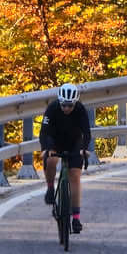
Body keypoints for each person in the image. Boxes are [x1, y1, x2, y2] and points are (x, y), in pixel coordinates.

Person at [38, 83, 94, 234]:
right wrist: (45, 149)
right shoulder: (52, 108)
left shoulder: (80, 110)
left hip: (74, 143)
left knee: (75, 176)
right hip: (55, 141)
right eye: (64, 105)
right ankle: (50, 188)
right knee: (51, 160)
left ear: (75, 103)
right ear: (59, 101)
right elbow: (43, 132)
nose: (66, 109)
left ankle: (76, 218)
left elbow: (86, 133)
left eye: (70, 106)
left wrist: (83, 149)